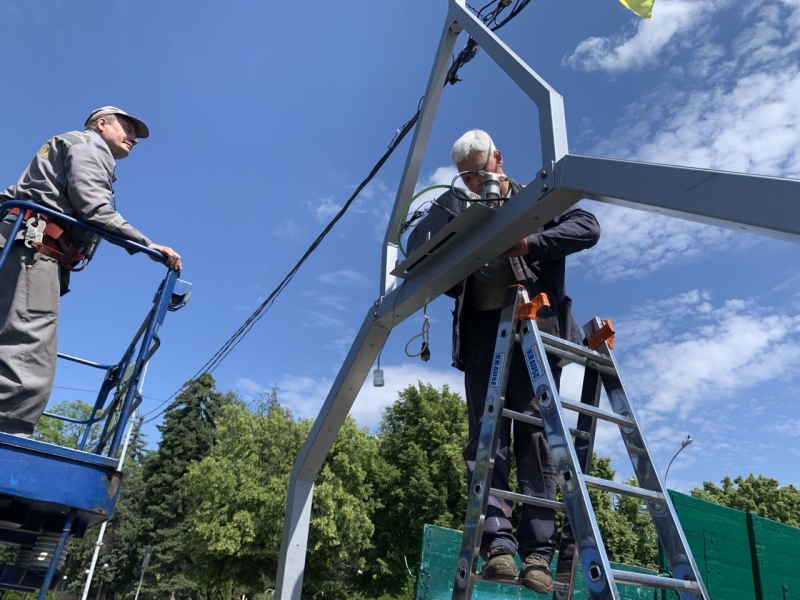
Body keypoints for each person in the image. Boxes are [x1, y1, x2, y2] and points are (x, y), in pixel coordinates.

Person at [449, 129, 600, 592]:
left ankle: (537, 553)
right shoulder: (461, 214)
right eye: (466, 178)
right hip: (481, 340)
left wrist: (526, 242)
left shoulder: (537, 200)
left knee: (535, 439)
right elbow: (436, 267)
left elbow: (587, 227)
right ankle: (497, 543)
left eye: (480, 172)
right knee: (485, 440)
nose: (475, 183)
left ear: (498, 159)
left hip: (533, 331)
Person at [0, 106, 181, 436]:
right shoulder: (90, 146)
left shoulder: (66, 145)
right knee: (30, 352)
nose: (133, 138)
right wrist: (147, 245)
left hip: (16, 243)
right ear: (102, 124)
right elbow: (93, 208)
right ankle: (9, 441)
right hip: (34, 249)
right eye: (127, 128)